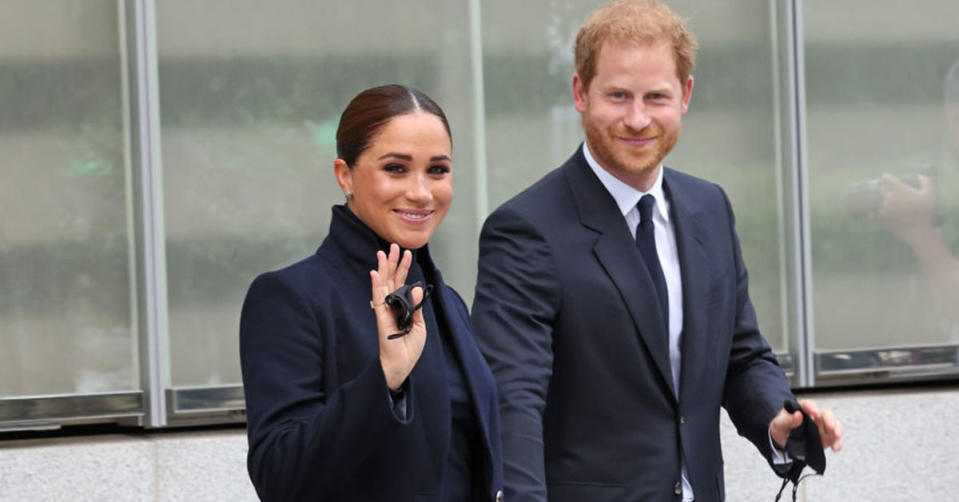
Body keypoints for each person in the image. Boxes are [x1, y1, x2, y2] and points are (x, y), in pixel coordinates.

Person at [470, 2, 842, 501]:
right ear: (581, 93)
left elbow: (740, 355)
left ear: (685, 95)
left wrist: (779, 417)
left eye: (656, 96)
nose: (638, 118)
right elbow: (513, 400)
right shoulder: (524, 230)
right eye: (618, 95)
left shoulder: (708, 208)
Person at [240, 84, 503, 501]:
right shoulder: (290, 298)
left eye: (437, 170)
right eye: (396, 168)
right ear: (345, 174)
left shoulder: (446, 301)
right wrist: (386, 377)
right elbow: (280, 477)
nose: (421, 191)